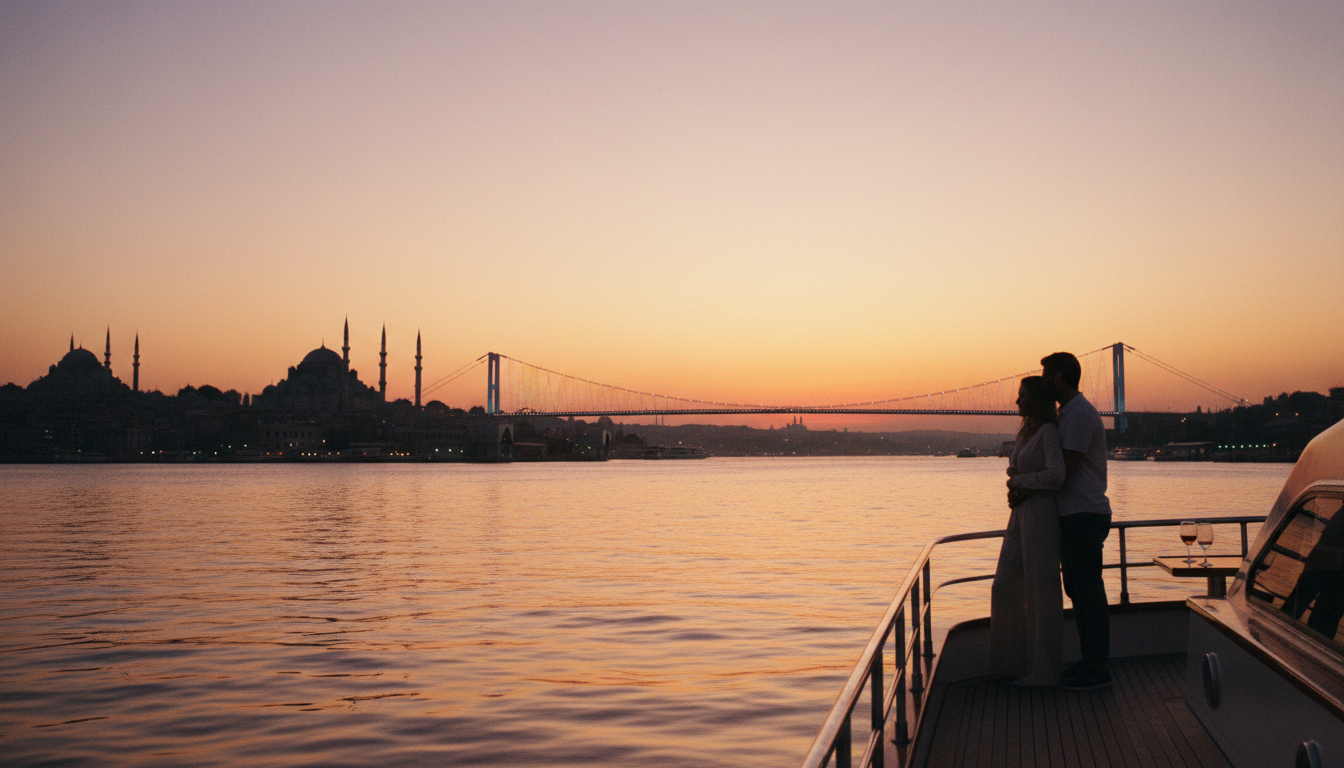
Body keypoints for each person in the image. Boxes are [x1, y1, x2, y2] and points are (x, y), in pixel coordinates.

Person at [1041, 352, 1114, 691]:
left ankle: (1098, 667)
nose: (1043, 381)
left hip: (1084, 513)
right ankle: (1089, 661)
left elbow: (1066, 470)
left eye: (1046, 375)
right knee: (1079, 591)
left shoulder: (1081, 415)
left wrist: (1029, 487)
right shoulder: (1067, 414)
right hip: (1074, 513)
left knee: (1088, 592)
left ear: (1058, 378)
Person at [991, 376, 1065, 686]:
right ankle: (1013, 664)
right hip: (1020, 511)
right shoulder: (1025, 433)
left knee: (1041, 590)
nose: (1017, 401)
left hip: (1040, 513)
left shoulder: (1048, 431)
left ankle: (1044, 671)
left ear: (1035, 399)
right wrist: (1016, 480)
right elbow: (1016, 469)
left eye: (1022, 396)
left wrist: (1019, 483)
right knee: (1005, 584)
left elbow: (1056, 475)